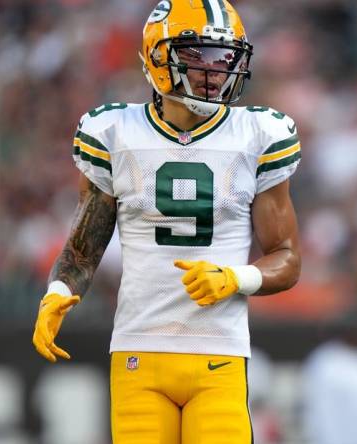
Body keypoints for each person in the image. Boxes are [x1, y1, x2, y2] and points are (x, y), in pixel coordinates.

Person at [30, 1, 302, 443]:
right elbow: (84, 247)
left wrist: (236, 278)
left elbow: (287, 260)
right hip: (139, 350)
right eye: (201, 57)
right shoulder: (115, 132)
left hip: (219, 352)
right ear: (159, 57)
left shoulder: (258, 136)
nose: (217, 72)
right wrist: (59, 291)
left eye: (226, 58)